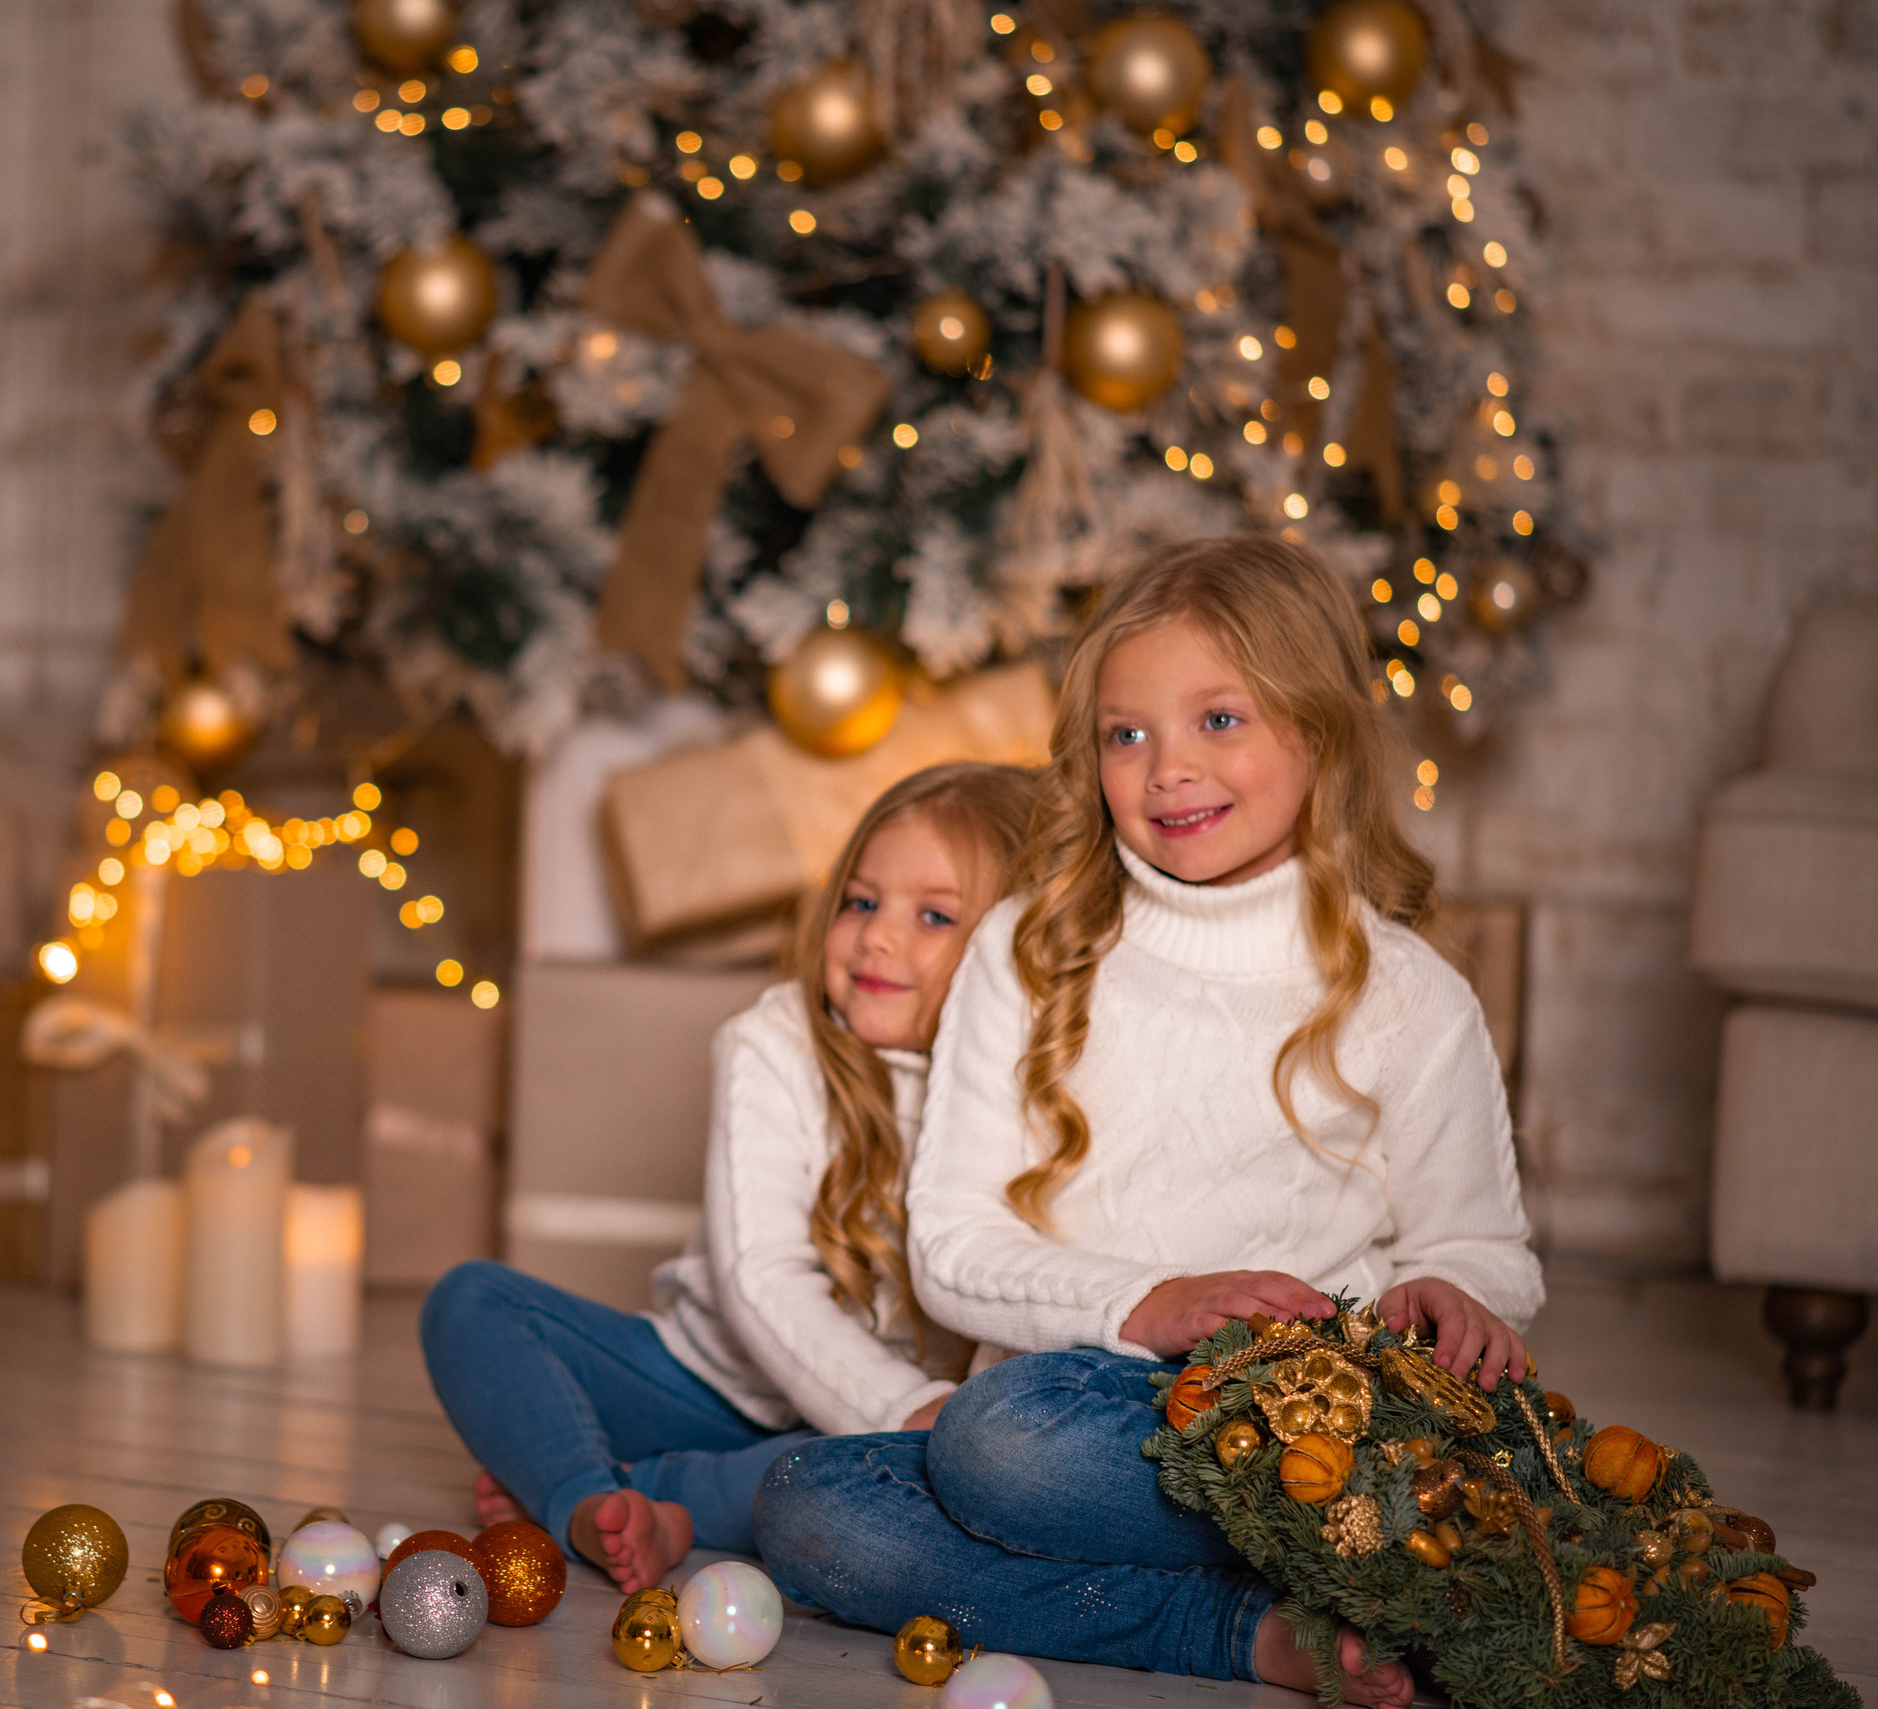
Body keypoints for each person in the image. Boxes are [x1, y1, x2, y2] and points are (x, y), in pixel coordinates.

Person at [754, 538, 1542, 1707]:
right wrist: (1145, 1306)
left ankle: (1384, 1526)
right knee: (818, 1506)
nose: (1168, 769)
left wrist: (1453, 1288)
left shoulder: (1408, 994)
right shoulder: (1026, 950)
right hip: (1074, 1416)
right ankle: (1253, 1623)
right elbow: (950, 1245)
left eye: (1217, 720)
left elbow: (1484, 1251)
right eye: (1128, 735)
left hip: (1294, 1421)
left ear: (1316, 730)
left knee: (991, 1453)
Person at [421, 762, 1045, 1593]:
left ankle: (651, 1495)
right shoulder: (774, 1043)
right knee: (471, 1304)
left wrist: (932, 1423)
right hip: (711, 1384)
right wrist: (906, 1410)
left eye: (934, 915)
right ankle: (585, 1502)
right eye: (861, 901)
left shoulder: (1028, 1088)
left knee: (934, 1466)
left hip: (864, 1435)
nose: (878, 937)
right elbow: (764, 1285)